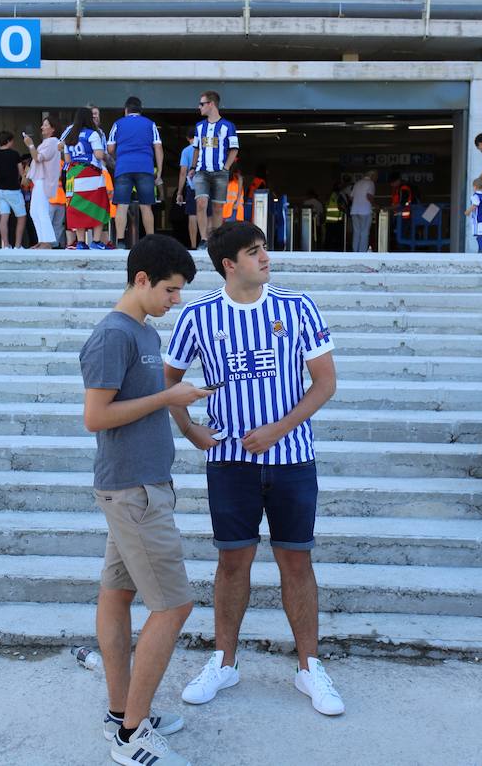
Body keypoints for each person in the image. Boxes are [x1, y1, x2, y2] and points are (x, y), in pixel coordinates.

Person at [165, 221, 345, 717]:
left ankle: (310, 667)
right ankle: (224, 661)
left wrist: (278, 428)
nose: (265, 257)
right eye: (254, 251)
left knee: (296, 561)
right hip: (228, 464)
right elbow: (170, 383)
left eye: (264, 248)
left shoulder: (296, 306)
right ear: (229, 264)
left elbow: (324, 383)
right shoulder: (198, 317)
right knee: (232, 563)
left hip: (292, 461)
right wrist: (191, 430)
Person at [79, 234, 213, 766]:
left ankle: (122, 712)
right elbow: (96, 417)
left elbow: (145, 404)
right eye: (171, 290)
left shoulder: (142, 330)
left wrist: (185, 417)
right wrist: (170, 396)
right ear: (141, 281)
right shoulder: (114, 336)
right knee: (174, 604)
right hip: (133, 491)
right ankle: (132, 735)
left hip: (140, 485)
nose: (175, 300)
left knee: (117, 596)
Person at [108, 97, 163, 249]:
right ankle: (151, 240)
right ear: (140, 109)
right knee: (146, 206)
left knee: (122, 205)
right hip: (145, 168)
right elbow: (158, 148)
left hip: (123, 168)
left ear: (126, 110)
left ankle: (120, 241)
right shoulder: (150, 124)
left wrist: (117, 159)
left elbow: (110, 148)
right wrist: (159, 172)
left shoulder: (118, 124)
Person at [191, 90, 239, 249]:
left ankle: (216, 241)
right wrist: (193, 167)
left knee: (218, 207)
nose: (199, 107)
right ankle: (204, 239)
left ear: (211, 104)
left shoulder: (228, 126)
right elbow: (196, 148)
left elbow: (234, 149)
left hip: (220, 172)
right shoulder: (199, 126)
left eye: (202, 104)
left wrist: (226, 167)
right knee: (201, 203)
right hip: (202, 171)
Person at [63, 108, 110, 251]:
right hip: (90, 173)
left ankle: (81, 242)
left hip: (72, 175)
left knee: (77, 208)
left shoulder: (69, 135)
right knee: (100, 205)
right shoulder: (93, 134)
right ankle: (96, 241)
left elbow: (67, 159)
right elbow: (99, 155)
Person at [23, 116, 63, 250]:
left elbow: (38, 158)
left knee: (41, 210)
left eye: (45, 125)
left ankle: (47, 242)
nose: (42, 127)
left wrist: (30, 144)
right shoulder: (49, 142)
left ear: (53, 129)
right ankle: (42, 240)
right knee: (35, 211)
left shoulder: (52, 142)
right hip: (39, 180)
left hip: (43, 180)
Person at [0, 131, 27, 250]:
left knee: (4, 217)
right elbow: (21, 172)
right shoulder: (15, 154)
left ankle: (6, 245)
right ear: (8, 141)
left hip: (0, 190)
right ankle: (17, 245)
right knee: (21, 217)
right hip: (14, 190)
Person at [176, 128, 199, 249]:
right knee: (208, 215)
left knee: (192, 215)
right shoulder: (205, 148)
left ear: (187, 138)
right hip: (207, 185)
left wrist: (180, 192)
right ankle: (208, 242)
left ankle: (194, 245)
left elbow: (183, 172)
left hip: (192, 186)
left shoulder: (186, 151)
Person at [350, 170, 377, 253]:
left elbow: (351, 197)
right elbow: (369, 196)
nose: (376, 179)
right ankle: (362, 253)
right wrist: (375, 205)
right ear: (372, 176)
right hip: (365, 211)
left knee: (356, 232)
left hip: (354, 211)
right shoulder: (370, 183)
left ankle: (355, 251)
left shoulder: (357, 183)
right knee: (364, 233)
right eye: (376, 176)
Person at [464, 177, 482, 253]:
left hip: (478, 219)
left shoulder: (475, 196)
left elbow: (475, 205)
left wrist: (468, 211)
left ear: (475, 187)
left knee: (479, 236)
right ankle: (481, 249)